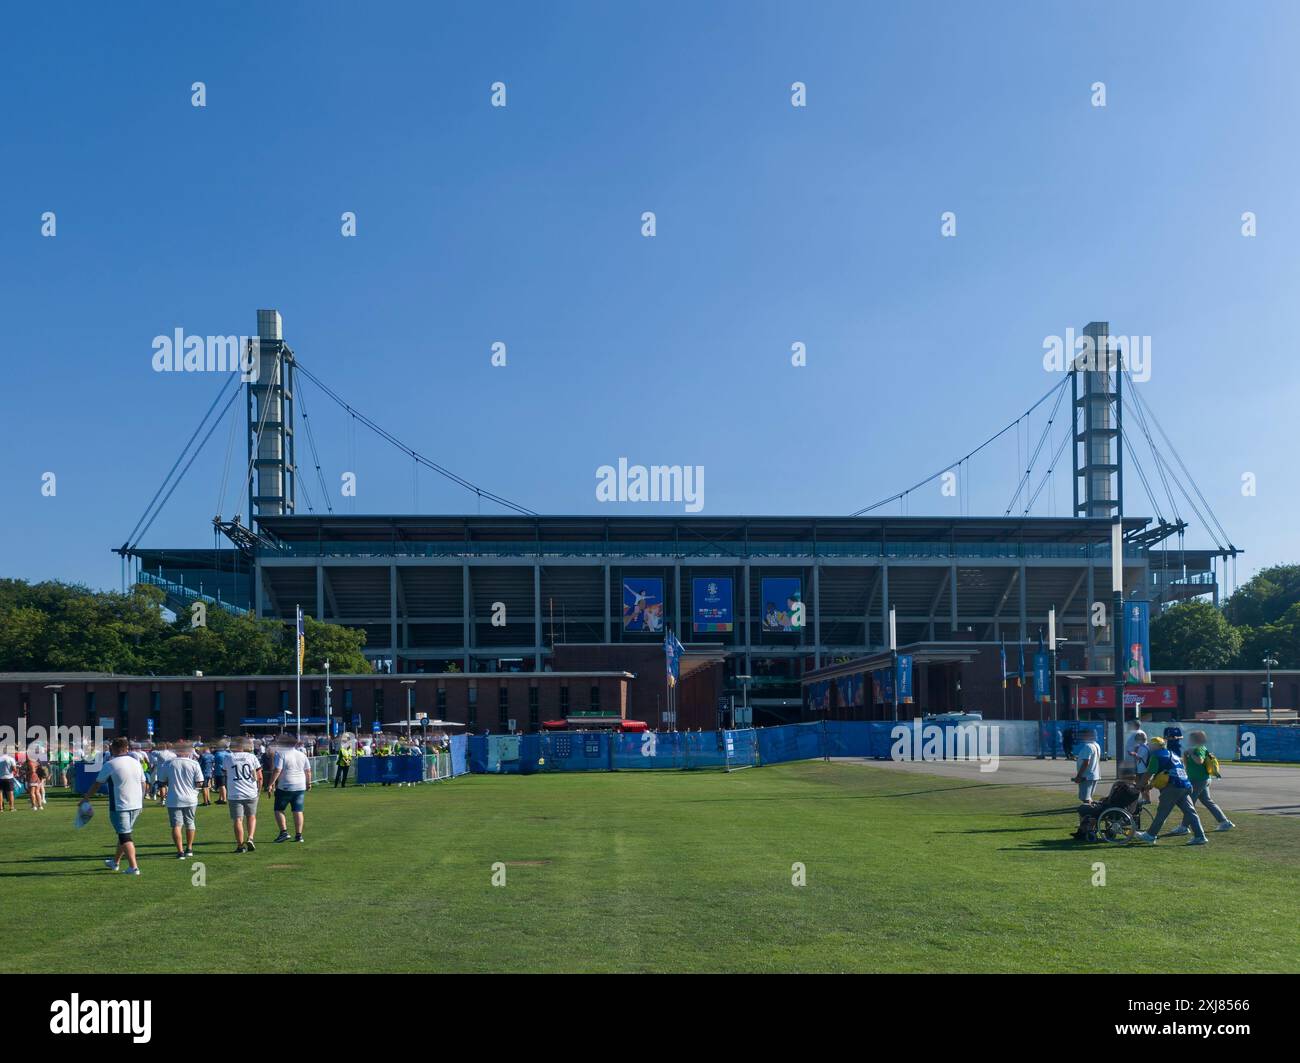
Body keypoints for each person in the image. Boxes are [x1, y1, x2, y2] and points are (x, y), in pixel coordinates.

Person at [83, 736, 147, 875]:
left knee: (125, 836)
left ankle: (133, 867)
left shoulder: (110, 764)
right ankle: (115, 862)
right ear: (127, 749)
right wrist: (141, 800)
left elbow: (97, 783)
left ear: (113, 749)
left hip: (120, 805)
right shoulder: (136, 762)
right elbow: (144, 783)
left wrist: (86, 798)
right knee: (123, 833)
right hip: (136, 804)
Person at [1134, 736, 1207, 846]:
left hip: (1172, 786)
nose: (1149, 746)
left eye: (1150, 745)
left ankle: (1150, 835)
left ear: (1156, 746)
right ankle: (1200, 836)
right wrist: (1151, 785)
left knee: (1162, 812)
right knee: (1190, 812)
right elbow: (1166, 772)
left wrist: (1139, 785)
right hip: (1185, 785)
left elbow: (1149, 773)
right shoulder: (1173, 754)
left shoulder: (1156, 755)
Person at [1178, 729, 1235, 834]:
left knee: (1190, 803)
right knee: (1207, 801)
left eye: (1190, 738)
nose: (1188, 740)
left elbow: (1199, 761)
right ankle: (1224, 822)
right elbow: (1188, 765)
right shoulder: (1197, 748)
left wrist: (1190, 753)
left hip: (1198, 780)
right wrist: (1185, 756)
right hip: (1201, 779)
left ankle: (1184, 827)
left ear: (1195, 740)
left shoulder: (1198, 749)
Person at [161, 743, 205, 859]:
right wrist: (196, 791)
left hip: (174, 798)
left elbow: (162, 780)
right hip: (190, 798)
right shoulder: (194, 763)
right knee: (190, 822)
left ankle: (180, 851)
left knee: (176, 825)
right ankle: (189, 848)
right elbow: (200, 782)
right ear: (188, 751)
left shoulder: (168, 763)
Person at [269, 735, 312, 843]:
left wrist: (271, 783)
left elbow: (278, 770)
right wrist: (309, 783)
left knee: (279, 809)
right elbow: (308, 771)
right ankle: (299, 835)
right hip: (300, 785)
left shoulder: (281, 754)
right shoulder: (302, 754)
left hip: (286, 785)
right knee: (298, 810)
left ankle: (284, 832)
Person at [225, 737, 263, 853]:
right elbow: (260, 776)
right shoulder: (252, 757)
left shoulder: (228, 758)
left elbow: (225, 773)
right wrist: (259, 791)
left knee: (238, 820)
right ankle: (250, 837)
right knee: (251, 816)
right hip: (250, 791)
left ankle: (240, 845)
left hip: (235, 792)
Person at [1071, 727, 1101, 802]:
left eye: (1083, 735)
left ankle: (1089, 812)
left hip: (1086, 776)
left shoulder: (1088, 746)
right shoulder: (1096, 745)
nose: (1081, 737)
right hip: (1094, 775)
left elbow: (1086, 762)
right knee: (1089, 797)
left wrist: (1079, 776)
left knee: (1085, 799)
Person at [0, 745, 17, 813]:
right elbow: (14, 769)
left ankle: (1, 808)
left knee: (0, 793)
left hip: (0, 777)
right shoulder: (11, 759)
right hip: (9, 777)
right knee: (10, 793)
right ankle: (11, 807)